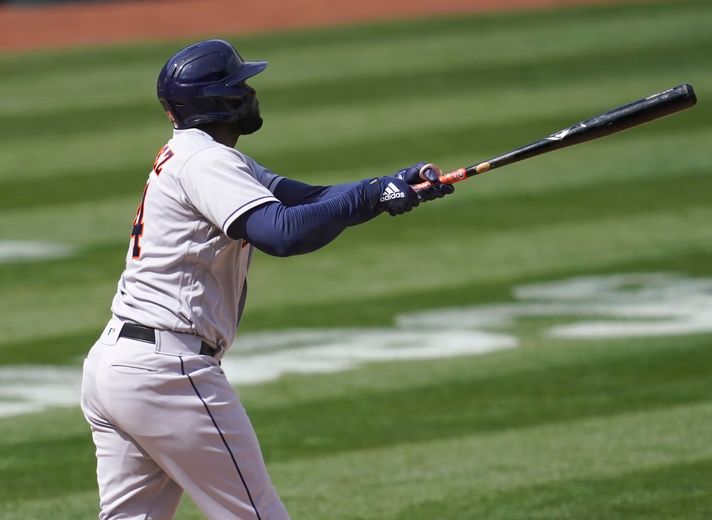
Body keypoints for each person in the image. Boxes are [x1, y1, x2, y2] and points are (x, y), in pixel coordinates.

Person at [79, 39, 453, 520]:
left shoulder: (198, 154)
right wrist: (371, 194)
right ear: (220, 100)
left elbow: (306, 199)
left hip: (116, 366)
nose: (251, 92)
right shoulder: (207, 162)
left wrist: (391, 186)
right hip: (166, 375)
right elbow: (281, 233)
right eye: (241, 85)